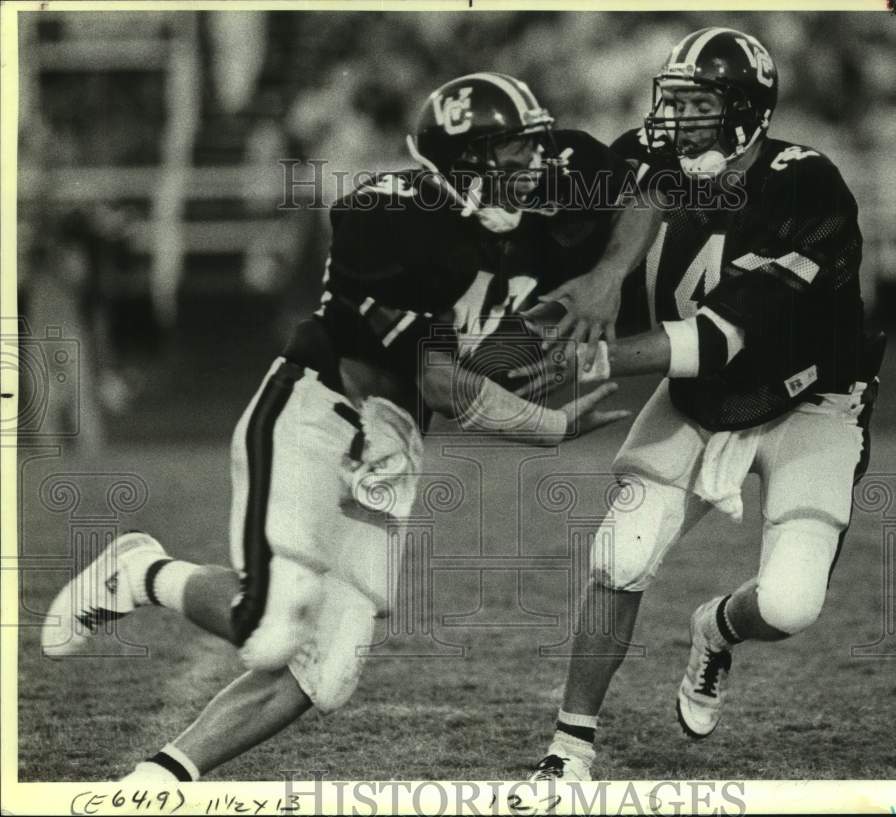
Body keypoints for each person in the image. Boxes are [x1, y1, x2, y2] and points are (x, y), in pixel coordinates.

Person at [41, 72, 632, 782]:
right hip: (317, 414)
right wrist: (549, 422)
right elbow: (440, 380)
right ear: (465, 162)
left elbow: (648, 188)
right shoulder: (396, 219)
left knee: (327, 670)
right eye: (511, 154)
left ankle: (160, 780)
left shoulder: (525, 219)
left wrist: (606, 277)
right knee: (273, 628)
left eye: (533, 150)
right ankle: (143, 571)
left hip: (393, 444)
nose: (531, 168)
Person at [517, 28, 885, 783]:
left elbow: (721, 339)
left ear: (746, 112)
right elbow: (633, 186)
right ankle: (569, 748)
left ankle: (715, 629)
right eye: (672, 102)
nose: (674, 121)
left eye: (696, 105)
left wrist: (585, 356)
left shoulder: (805, 186)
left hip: (811, 397)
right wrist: (584, 275)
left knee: (788, 606)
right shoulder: (666, 159)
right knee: (619, 555)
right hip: (701, 397)